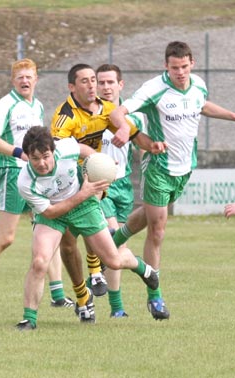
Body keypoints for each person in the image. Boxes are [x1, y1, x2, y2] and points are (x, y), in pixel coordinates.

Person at [110, 41, 235, 320]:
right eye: (174, 67)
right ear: (166, 66)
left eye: (184, 66)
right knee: (159, 229)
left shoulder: (198, 84)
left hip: (185, 167)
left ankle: (112, 241)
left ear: (192, 64)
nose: (180, 72)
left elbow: (202, 105)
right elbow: (118, 112)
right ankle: (155, 297)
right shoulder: (154, 89)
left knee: (153, 214)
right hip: (159, 167)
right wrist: (121, 128)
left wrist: (233, 116)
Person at [15, 126, 160, 330]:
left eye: (46, 156)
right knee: (39, 262)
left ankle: (140, 266)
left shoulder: (65, 148)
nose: (41, 163)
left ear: (53, 151)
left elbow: (84, 150)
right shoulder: (24, 181)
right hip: (53, 213)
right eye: (35, 158)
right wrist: (83, 194)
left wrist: (101, 164)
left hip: (84, 207)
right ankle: (29, 319)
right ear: (27, 156)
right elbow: (49, 213)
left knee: (114, 261)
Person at [0, 58, 73, 310]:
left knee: (50, 229)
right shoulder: (5, 104)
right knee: (6, 237)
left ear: (36, 79)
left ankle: (57, 294)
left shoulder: (38, 105)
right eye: (20, 77)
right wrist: (18, 153)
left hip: (38, 175)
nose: (25, 81)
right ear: (13, 81)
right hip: (12, 173)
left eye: (29, 76)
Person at [50, 63, 163, 312]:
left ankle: (126, 273)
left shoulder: (107, 110)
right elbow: (59, 150)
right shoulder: (64, 117)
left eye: (94, 80)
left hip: (91, 186)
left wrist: (150, 145)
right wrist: (91, 154)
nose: (92, 85)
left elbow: (134, 135)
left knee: (110, 252)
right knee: (67, 247)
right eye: (86, 81)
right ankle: (82, 298)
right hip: (64, 187)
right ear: (72, 87)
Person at [96, 63, 147, 318]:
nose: (105, 87)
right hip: (98, 185)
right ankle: (96, 272)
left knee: (117, 249)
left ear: (120, 85)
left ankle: (117, 308)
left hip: (124, 185)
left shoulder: (133, 115)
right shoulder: (91, 115)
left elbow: (141, 146)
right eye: (101, 83)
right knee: (112, 234)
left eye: (110, 83)